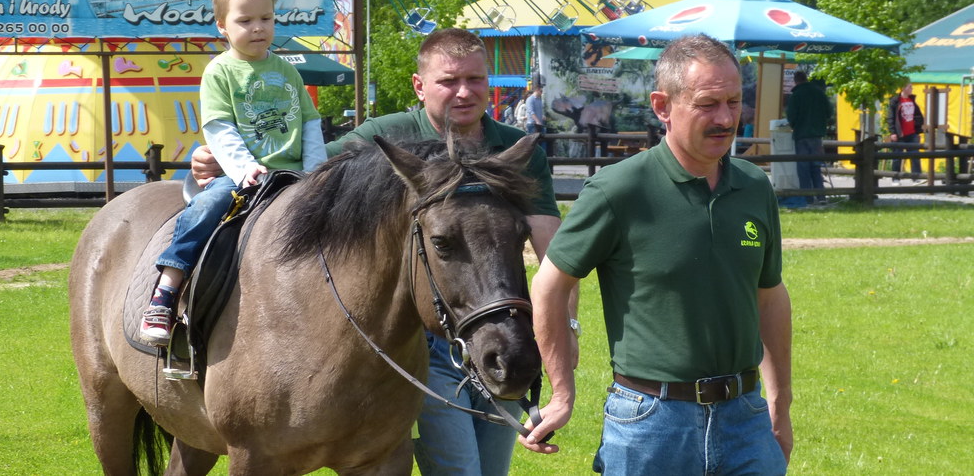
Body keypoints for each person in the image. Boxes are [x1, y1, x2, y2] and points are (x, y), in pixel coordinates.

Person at [193, 28, 572, 476]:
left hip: (496, 326)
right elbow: (305, 171)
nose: (464, 92)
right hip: (421, 341)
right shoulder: (385, 138)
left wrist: (560, 336)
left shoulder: (516, 150)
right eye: (449, 81)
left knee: (491, 471)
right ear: (419, 86)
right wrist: (222, 156)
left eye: (475, 79)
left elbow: (554, 259)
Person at [521, 34, 793, 475]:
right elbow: (550, 286)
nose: (726, 118)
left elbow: (770, 297)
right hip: (652, 423)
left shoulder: (754, 186)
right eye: (707, 104)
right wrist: (561, 395)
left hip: (746, 419)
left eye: (733, 101)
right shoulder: (618, 190)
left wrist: (779, 406)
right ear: (662, 106)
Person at [138, 0, 326, 346]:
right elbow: (219, 127)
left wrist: (317, 173)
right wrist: (244, 169)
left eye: (266, 18)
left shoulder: (288, 72)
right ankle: (167, 290)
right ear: (222, 25)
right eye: (245, 20)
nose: (258, 28)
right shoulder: (220, 72)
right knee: (208, 207)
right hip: (245, 177)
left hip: (292, 176)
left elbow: (309, 124)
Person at [786, 70, 830, 204]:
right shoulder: (819, 93)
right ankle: (821, 196)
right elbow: (829, 112)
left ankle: (807, 198)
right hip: (817, 135)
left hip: (801, 135)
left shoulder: (796, 95)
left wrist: (795, 124)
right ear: (806, 78)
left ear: (795, 80)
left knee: (803, 167)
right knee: (816, 166)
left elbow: (791, 116)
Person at [887, 82, 925, 182]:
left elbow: (917, 116)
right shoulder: (895, 101)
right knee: (897, 157)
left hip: (912, 134)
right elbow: (891, 117)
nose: (912, 89)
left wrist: (918, 130)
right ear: (903, 88)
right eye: (910, 87)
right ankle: (896, 179)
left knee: (915, 156)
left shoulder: (912, 100)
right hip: (899, 134)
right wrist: (893, 132)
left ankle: (916, 178)